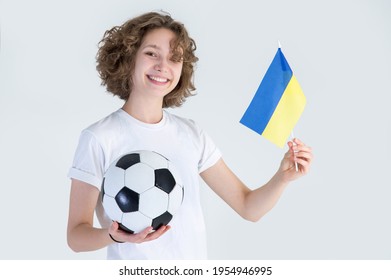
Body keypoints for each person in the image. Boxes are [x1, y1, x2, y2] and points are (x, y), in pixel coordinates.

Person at [67, 11, 313, 260]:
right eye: (151, 53)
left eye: (174, 58)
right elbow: (76, 236)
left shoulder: (191, 134)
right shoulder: (99, 138)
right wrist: (114, 236)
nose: (163, 66)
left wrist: (282, 178)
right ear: (128, 57)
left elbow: (248, 207)